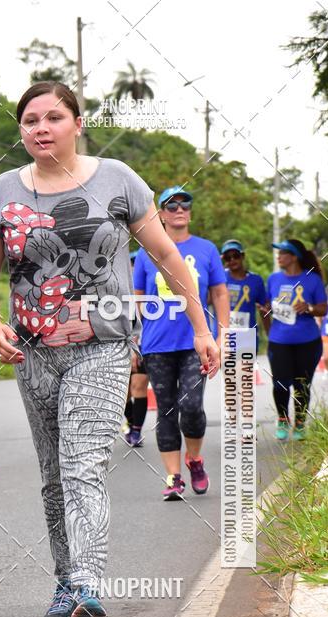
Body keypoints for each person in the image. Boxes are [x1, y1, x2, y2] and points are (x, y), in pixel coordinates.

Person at [0, 83, 219, 617]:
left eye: (54, 117)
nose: (41, 127)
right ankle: (65, 583)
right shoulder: (3, 191)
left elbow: (165, 254)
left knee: (83, 464)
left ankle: (86, 588)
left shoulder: (117, 179)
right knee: (54, 476)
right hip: (34, 354)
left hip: (104, 347)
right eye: (30, 120)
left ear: (76, 123)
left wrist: (201, 327)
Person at [133, 187, 230, 500]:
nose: (179, 209)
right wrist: (134, 337)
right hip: (156, 344)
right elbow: (137, 298)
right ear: (160, 213)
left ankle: (195, 460)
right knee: (165, 410)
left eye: (184, 203)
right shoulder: (147, 253)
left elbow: (219, 293)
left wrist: (221, 335)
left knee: (190, 407)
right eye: (171, 204)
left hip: (194, 343)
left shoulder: (206, 249)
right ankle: (174, 477)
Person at [262, 239, 327, 440]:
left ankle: (300, 422)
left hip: (307, 342)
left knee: (302, 383)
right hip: (279, 341)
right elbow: (266, 308)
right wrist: (268, 327)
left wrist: (308, 307)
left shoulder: (312, 279)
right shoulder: (273, 279)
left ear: (293, 257)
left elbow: (323, 308)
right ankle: (283, 418)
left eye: (282, 253)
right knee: (280, 383)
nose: (278, 257)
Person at [122, 249, 149, 447]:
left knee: (139, 386)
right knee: (124, 393)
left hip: (143, 343)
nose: (133, 268)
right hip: (121, 344)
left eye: (136, 264)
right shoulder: (119, 289)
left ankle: (137, 432)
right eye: (131, 263)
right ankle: (131, 423)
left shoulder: (148, 291)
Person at [220, 239, 266, 349]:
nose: (232, 260)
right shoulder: (219, 278)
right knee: (228, 366)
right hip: (224, 337)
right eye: (227, 258)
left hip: (247, 338)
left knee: (244, 367)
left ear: (243, 256)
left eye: (236, 256)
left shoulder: (256, 280)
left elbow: (264, 309)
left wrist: (270, 334)